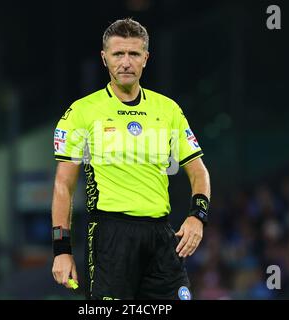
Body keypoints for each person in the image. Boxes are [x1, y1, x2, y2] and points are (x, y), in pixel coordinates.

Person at [51, 18, 211, 300]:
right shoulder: (82, 112)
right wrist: (61, 251)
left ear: (146, 59)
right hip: (110, 236)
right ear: (104, 58)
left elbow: (199, 172)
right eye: (118, 54)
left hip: (161, 235)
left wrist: (198, 216)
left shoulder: (168, 109)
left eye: (134, 54)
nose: (126, 62)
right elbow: (63, 186)